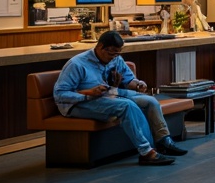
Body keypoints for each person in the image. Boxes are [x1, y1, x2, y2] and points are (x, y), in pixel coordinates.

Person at [52, 31, 187, 166]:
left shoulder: (116, 59)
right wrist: (88, 94)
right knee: (127, 106)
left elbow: (129, 80)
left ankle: (164, 141)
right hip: (78, 104)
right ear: (100, 47)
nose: (114, 57)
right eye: (112, 53)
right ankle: (147, 152)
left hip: (107, 94)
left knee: (150, 101)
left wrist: (138, 84)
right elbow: (60, 94)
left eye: (118, 53)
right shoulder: (77, 64)